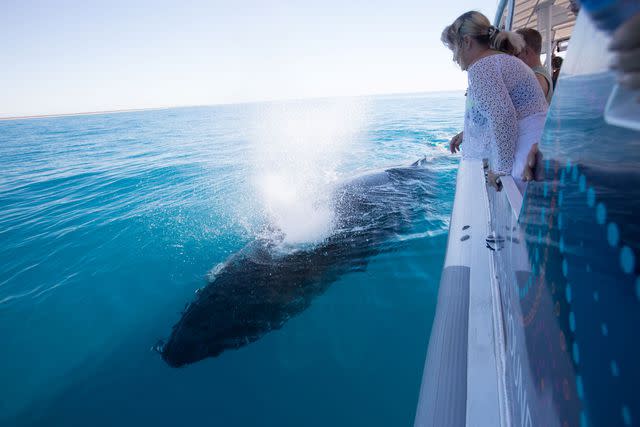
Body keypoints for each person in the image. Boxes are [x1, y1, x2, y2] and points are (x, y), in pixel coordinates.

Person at [443, 11, 548, 191]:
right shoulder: (501, 60)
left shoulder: (481, 67)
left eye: (454, 48)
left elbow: (503, 117)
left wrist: (500, 169)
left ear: (467, 41)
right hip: (539, 144)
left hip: (525, 157)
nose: (454, 57)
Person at [516, 28, 554, 103]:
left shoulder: (537, 78)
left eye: (516, 53)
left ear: (526, 52)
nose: (513, 58)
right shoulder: (539, 74)